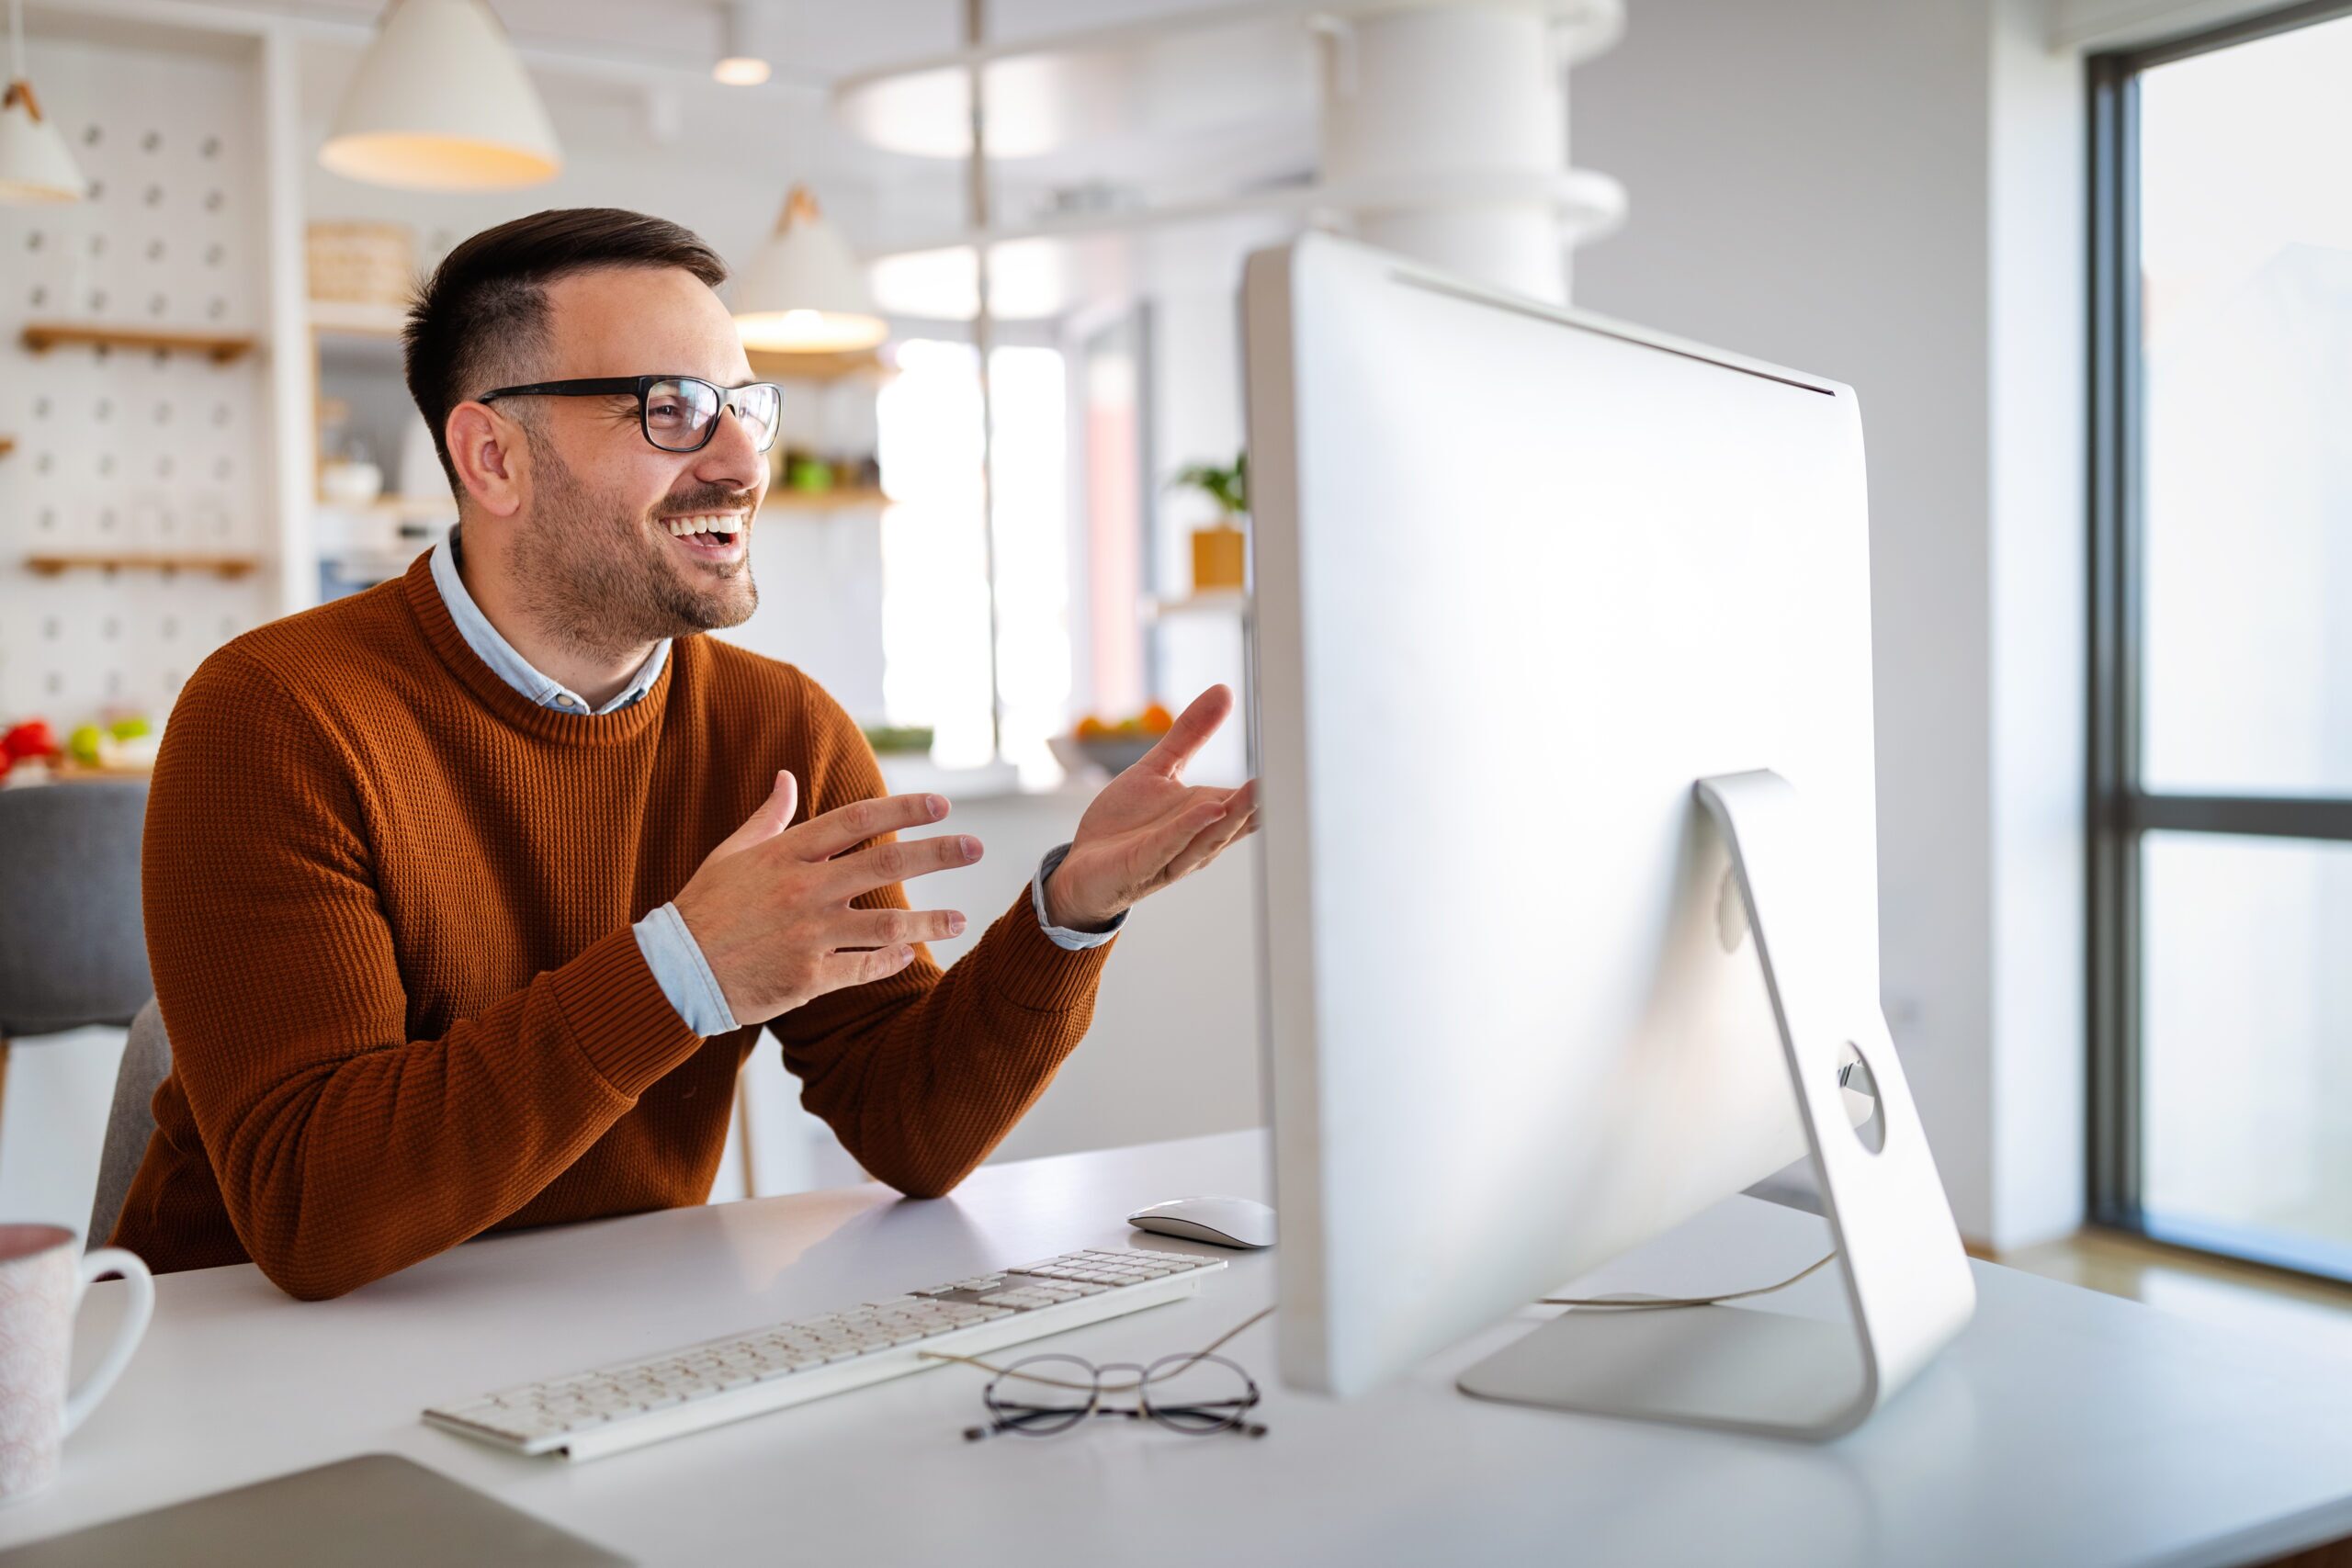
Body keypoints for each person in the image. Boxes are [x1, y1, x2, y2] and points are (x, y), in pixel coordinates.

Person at [109, 209, 1257, 1301]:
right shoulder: (275, 714)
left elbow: (908, 1129)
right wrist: (682, 973)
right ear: (492, 455)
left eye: (740, 406)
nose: (740, 462)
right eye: (670, 409)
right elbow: (314, 1211)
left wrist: (1069, 912)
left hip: (605, 1329)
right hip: (237, 1367)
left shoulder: (779, 729)